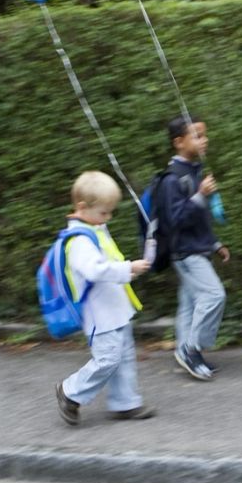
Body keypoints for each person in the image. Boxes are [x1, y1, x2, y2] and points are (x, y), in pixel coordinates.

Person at [55, 171, 153, 426]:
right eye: (104, 213)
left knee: (125, 356)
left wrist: (126, 271)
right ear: (82, 207)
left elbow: (109, 260)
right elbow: (95, 270)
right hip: (99, 312)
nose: (107, 218)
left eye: (110, 212)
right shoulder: (78, 240)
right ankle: (69, 391)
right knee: (108, 359)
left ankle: (125, 402)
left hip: (115, 308)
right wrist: (129, 268)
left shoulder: (94, 228)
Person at [161, 115, 230, 381]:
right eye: (197, 136)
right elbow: (175, 220)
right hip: (184, 251)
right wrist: (201, 195)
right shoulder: (172, 179)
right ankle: (191, 349)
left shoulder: (195, 170)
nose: (205, 140)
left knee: (190, 304)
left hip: (197, 247)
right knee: (214, 295)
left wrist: (215, 243)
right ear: (179, 142)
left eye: (205, 134)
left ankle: (185, 351)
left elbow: (199, 219)